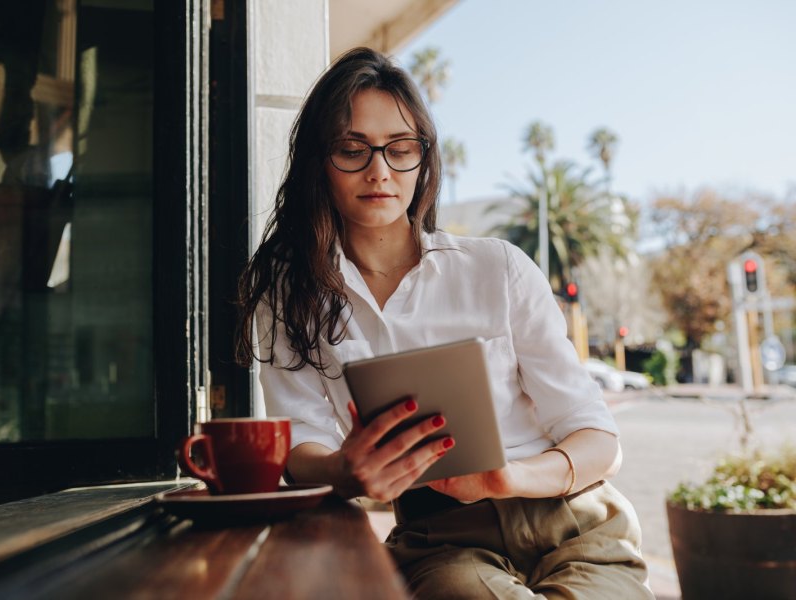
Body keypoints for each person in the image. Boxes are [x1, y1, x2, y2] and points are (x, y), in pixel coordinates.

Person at [237, 47, 653, 599]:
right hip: (443, 543)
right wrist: (346, 470)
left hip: (576, 522)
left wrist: (506, 479)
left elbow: (599, 440)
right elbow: (300, 447)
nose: (379, 170)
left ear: (422, 159)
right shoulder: (288, 295)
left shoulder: (497, 268)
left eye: (400, 149)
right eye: (352, 149)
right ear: (320, 161)